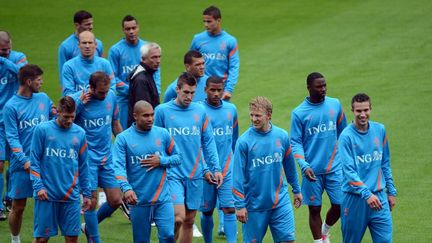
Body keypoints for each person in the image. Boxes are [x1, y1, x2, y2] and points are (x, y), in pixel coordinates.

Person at [154, 72, 223, 243]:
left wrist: (215, 168)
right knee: (178, 217)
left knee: (189, 221)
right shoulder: (162, 111)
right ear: (177, 89)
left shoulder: (200, 111)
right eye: (186, 92)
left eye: (192, 93)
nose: (189, 96)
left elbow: (208, 142)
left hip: (194, 173)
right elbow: (155, 142)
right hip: (171, 174)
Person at [232, 96, 302, 243]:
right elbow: (237, 176)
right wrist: (239, 205)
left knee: (288, 241)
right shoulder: (244, 142)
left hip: (280, 201)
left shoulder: (281, 136)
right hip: (254, 206)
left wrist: (296, 189)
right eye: (251, 115)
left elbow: (290, 166)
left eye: (258, 115)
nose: (253, 119)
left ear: (269, 115)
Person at [290, 72, 347, 243]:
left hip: (334, 167)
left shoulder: (335, 105)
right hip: (312, 170)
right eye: (319, 86)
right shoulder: (299, 113)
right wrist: (303, 165)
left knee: (340, 205)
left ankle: (325, 231)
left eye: (324, 85)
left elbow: (344, 134)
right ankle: (319, 241)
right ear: (309, 88)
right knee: (314, 209)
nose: (323, 89)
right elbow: (295, 142)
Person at [113, 100, 181, 243]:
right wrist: (126, 189)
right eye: (145, 115)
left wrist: (161, 160)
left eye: (152, 115)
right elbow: (118, 167)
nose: (150, 119)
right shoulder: (123, 139)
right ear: (135, 116)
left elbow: (178, 157)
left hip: (162, 198)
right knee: (141, 240)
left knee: (168, 235)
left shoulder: (163, 134)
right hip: (139, 199)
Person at [4, 64, 56, 243]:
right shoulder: (11, 107)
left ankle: (40, 238)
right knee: (18, 207)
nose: (41, 83)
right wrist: (25, 161)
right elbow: (12, 138)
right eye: (38, 80)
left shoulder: (43, 98)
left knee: (46, 203)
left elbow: (56, 117)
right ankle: (15, 239)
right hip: (22, 166)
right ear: (28, 81)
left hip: (44, 163)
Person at [68, 71, 123, 243]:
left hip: (107, 157)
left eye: (106, 91)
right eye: (101, 92)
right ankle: (95, 239)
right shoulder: (77, 100)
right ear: (90, 88)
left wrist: (125, 144)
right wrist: (78, 105)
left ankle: (88, 227)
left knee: (115, 200)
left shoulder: (111, 96)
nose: (104, 95)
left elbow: (115, 123)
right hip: (86, 159)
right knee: (90, 202)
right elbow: (62, 122)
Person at [30, 96, 91, 243]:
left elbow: (83, 166)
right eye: (66, 117)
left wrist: (87, 193)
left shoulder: (80, 133)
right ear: (58, 112)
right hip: (46, 194)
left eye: (72, 116)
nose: (69, 120)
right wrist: (38, 187)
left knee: (72, 238)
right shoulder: (42, 130)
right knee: (41, 240)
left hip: (70, 196)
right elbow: (34, 161)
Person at [339, 93, 397, 243]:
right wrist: (366, 194)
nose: (363, 115)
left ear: (371, 109)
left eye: (366, 110)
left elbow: (385, 163)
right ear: (352, 110)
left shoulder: (380, 130)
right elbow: (349, 171)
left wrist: (391, 191)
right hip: (355, 199)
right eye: (359, 111)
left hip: (379, 197)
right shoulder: (346, 137)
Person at [199, 76, 238, 243]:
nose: (216, 93)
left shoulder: (231, 109)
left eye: (219, 90)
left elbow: (234, 138)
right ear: (205, 90)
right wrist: (204, 167)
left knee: (229, 208)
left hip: (228, 166)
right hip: (205, 169)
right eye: (212, 90)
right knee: (207, 211)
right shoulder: (198, 111)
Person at [109, 15, 161, 129]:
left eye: (134, 28)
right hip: (124, 101)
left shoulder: (147, 47)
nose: (131, 31)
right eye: (128, 29)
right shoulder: (116, 50)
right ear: (123, 30)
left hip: (147, 97)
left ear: (138, 28)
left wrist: (155, 89)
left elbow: (156, 72)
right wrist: (132, 89)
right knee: (125, 132)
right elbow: (113, 78)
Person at [0, 30, 28, 221]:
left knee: (16, 164)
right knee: (0, 164)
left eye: (7, 50)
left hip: (18, 120)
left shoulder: (19, 58)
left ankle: (9, 196)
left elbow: (23, 75)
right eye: (2, 52)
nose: (5, 53)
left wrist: (2, 61)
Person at [190, 5, 240, 100]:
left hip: (220, 89)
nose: (206, 24)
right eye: (204, 21)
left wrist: (228, 90)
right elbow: (190, 63)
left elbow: (234, 67)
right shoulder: (197, 39)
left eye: (209, 21)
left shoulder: (230, 41)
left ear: (218, 21)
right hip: (201, 88)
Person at [61, 31, 114, 96]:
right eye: (84, 43)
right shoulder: (69, 66)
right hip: (79, 105)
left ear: (95, 45)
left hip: (101, 104)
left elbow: (112, 89)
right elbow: (68, 94)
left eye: (90, 43)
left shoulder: (105, 64)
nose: (87, 46)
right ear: (78, 45)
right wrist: (87, 93)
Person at [58, 10, 104, 78]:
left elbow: (102, 67)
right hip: (77, 87)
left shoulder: (98, 43)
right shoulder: (66, 46)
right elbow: (63, 75)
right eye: (87, 24)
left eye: (91, 23)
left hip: (95, 86)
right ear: (77, 25)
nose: (91, 27)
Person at [126, 42, 161, 127]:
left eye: (159, 57)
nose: (158, 61)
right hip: (143, 130)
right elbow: (144, 110)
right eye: (154, 57)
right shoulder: (141, 80)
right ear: (143, 59)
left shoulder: (146, 74)